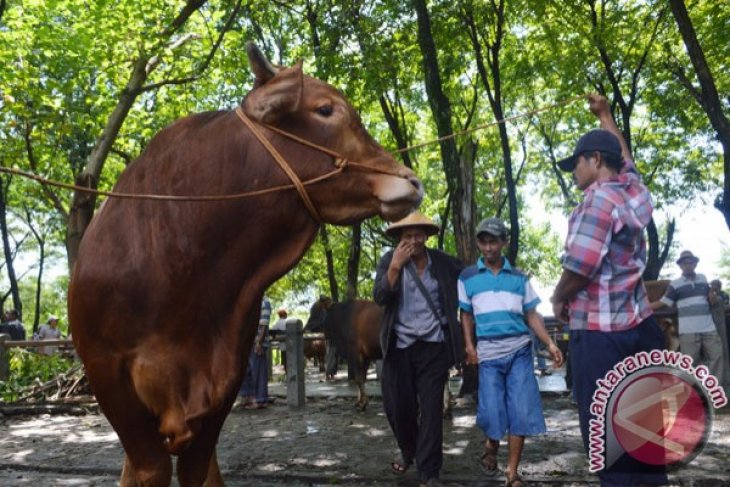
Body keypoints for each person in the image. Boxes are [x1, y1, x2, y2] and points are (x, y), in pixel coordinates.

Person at [550, 94, 668, 486]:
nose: (574, 172)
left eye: (577, 164)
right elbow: (626, 158)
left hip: (602, 340)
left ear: (596, 161)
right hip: (642, 330)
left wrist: (557, 295)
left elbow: (581, 267)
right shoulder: (633, 191)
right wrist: (605, 114)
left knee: (610, 440)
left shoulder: (597, 201)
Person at [459, 217, 563, 487]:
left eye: (494, 241)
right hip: (489, 355)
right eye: (484, 241)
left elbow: (532, 314)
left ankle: (512, 472)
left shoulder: (519, 278)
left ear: (503, 242)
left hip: (519, 352)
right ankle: (491, 444)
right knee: (492, 411)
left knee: (520, 411)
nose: (489, 247)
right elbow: (466, 315)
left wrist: (550, 344)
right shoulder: (468, 277)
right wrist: (470, 346)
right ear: (479, 243)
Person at [373, 211, 464, 487]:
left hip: (433, 347)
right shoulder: (389, 260)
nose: (413, 240)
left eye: (418, 235)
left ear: (426, 236)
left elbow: (471, 274)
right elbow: (380, 297)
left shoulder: (443, 262)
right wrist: (395, 268)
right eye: (408, 235)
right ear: (400, 238)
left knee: (433, 410)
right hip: (399, 346)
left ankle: (429, 471)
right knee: (399, 408)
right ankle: (409, 450)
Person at [651, 251, 724, 387]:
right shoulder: (675, 284)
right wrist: (644, 308)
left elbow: (711, 292)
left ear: (695, 264)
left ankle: (714, 391)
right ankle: (691, 393)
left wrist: (712, 291)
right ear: (680, 266)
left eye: (690, 262)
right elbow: (663, 302)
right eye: (684, 263)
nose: (688, 265)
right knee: (689, 363)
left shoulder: (702, 278)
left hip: (709, 328)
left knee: (716, 357)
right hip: (688, 330)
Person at [240, 296, 272, 409]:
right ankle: (249, 397)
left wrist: (259, 342)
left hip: (258, 342)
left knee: (258, 371)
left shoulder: (265, 302)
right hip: (248, 341)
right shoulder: (252, 300)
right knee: (247, 371)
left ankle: (260, 400)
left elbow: (264, 324)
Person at [709, 279, 730, 390]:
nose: (715, 286)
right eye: (713, 284)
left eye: (717, 285)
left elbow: (725, 306)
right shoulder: (708, 295)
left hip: (724, 322)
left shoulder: (723, 295)